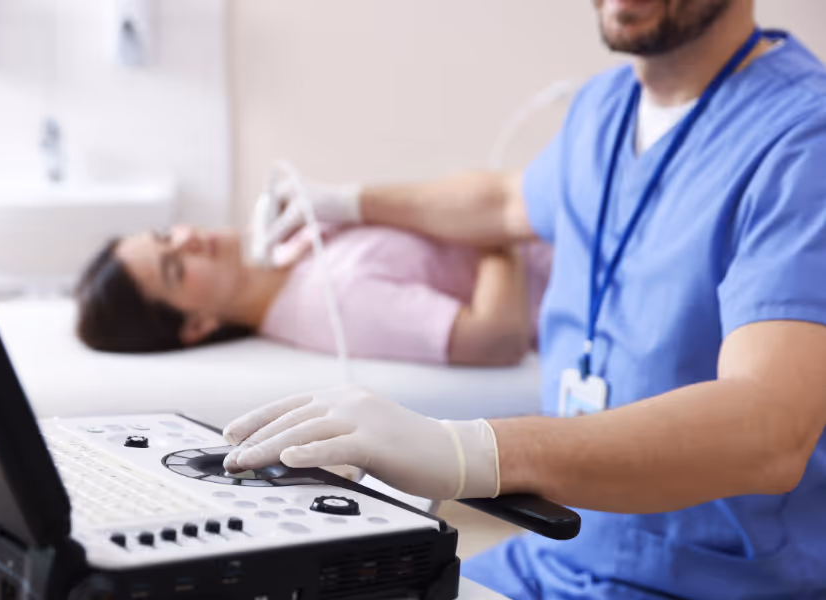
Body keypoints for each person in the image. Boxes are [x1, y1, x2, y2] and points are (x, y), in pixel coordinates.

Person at [221, 0, 826, 598]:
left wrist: (469, 451)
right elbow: (506, 204)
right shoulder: (605, 106)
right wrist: (347, 201)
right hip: (559, 555)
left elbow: (771, 428)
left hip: (710, 580)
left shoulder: (804, 137)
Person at [75, 219, 552, 366]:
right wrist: (498, 227)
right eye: (176, 267)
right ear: (198, 324)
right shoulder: (332, 301)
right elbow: (496, 338)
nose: (188, 239)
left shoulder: (291, 246)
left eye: (166, 235)